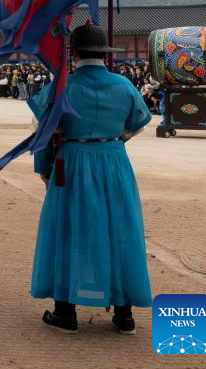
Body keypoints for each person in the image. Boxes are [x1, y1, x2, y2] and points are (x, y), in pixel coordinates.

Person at [30, 22, 153, 335]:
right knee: (119, 228)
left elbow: (42, 135)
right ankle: (124, 313)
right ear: (104, 53)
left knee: (68, 230)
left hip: (71, 163)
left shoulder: (62, 88)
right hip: (114, 162)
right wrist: (113, 141)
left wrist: (45, 168)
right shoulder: (124, 85)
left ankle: (65, 311)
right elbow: (139, 121)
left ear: (75, 53)